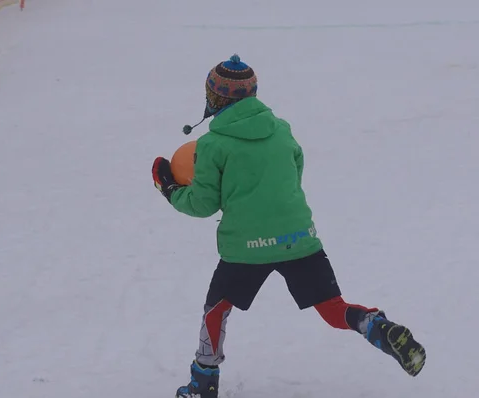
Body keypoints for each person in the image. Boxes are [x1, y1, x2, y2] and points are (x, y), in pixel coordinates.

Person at [152, 54, 426, 398]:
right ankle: (375, 326)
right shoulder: (281, 129)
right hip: (300, 239)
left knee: (217, 309)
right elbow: (294, 172)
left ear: (214, 98)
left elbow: (203, 204)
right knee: (333, 309)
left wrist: (169, 188)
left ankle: (202, 384)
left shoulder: (212, 144)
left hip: (245, 248)